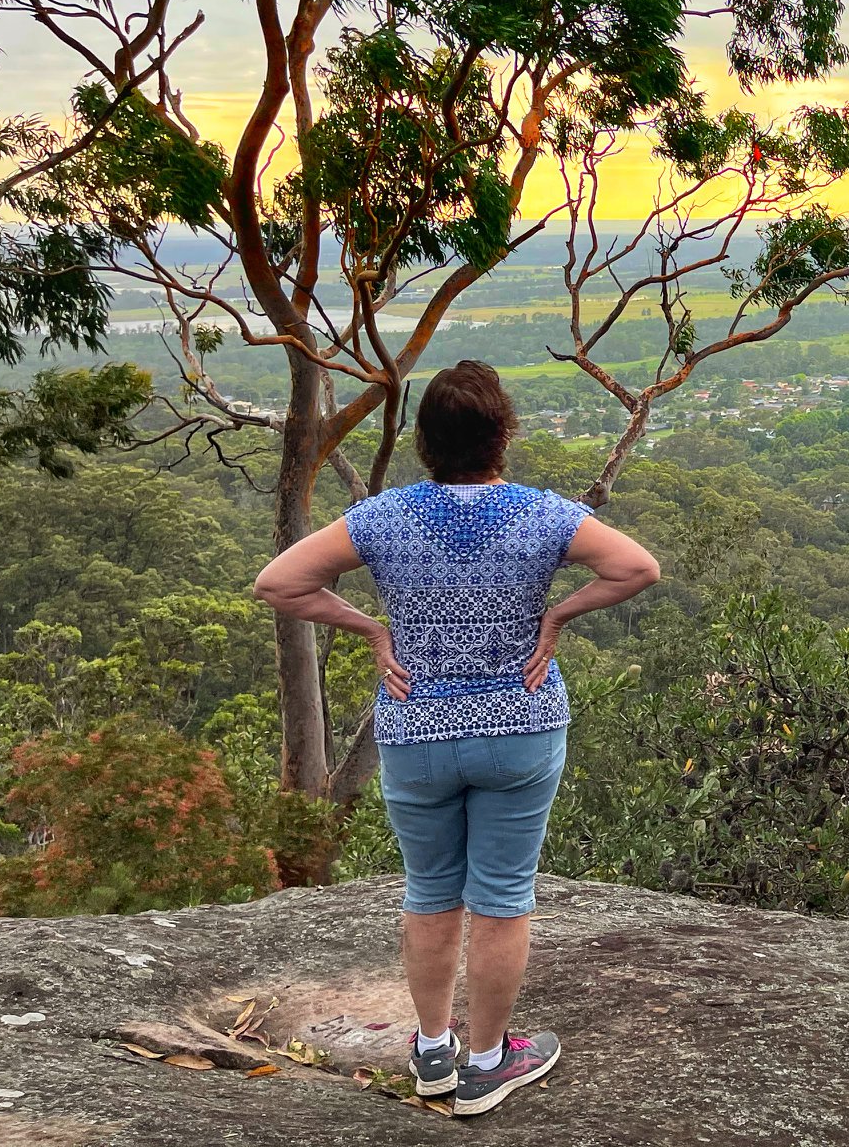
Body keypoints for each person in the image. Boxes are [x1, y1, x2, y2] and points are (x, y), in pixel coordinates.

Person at [253, 360, 661, 1116]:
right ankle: (487, 1062)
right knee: (503, 897)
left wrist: (372, 628)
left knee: (430, 892)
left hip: (417, 730)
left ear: (426, 441)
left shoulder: (384, 517)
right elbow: (637, 567)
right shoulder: (544, 514)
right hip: (520, 725)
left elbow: (278, 583)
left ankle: (434, 1052)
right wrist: (557, 616)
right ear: (502, 433)